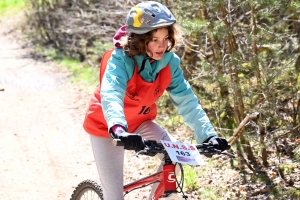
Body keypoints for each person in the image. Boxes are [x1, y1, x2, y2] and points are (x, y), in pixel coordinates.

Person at [83, 1, 229, 199]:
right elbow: (112, 93)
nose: (162, 45)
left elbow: (187, 101)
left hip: (141, 123)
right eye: (154, 39)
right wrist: (118, 128)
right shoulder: (119, 60)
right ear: (140, 40)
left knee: (176, 158)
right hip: (108, 128)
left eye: (166, 38)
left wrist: (208, 135)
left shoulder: (169, 62)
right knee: (114, 196)